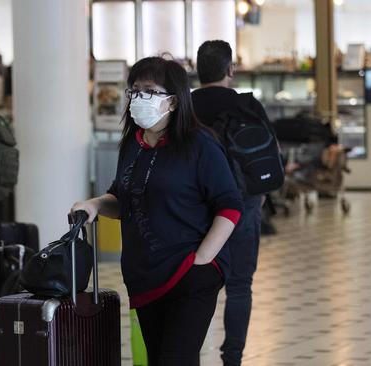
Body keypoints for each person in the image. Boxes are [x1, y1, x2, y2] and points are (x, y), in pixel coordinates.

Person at [72, 56, 243, 365]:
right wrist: (95, 205)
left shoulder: (199, 145)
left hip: (190, 274)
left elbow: (229, 206)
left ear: (174, 101)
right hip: (145, 275)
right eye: (134, 90)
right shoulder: (133, 144)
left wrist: (202, 259)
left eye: (149, 91)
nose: (138, 98)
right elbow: (123, 198)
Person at [191, 40, 269, 366]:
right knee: (239, 286)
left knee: (193, 288)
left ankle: (184, 352)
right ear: (230, 70)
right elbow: (267, 160)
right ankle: (232, 358)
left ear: (197, 70)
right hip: (241, 206)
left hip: (193, 210)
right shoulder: (247, 106)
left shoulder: (185, 106)